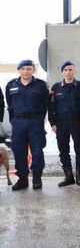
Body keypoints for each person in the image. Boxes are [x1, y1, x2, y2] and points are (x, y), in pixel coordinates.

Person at [5, 60, 49, 191]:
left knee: (37, 151)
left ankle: (37, 178)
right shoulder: (11, 85)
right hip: (18, 122)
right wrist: (14, 121)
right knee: (19, 151)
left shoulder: (41, 85)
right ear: (19, 70)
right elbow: (10, 104)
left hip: (35, 122)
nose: (26, 71)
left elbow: (46, 104)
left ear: (33, 70)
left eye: (29, 69)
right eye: (23, 68)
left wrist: (39, 119)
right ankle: (22, 179)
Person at [48, 60, 80, 187]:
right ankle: (68, 177)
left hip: (77, 123)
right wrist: (52, 124)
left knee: (79, 150)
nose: (68, 72)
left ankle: (79, 176)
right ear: (62, 72)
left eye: (70, 70)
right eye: (66, 70)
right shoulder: (56, 87)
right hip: (61, 124)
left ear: (74, 71)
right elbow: (51, 107)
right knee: (63, 150)